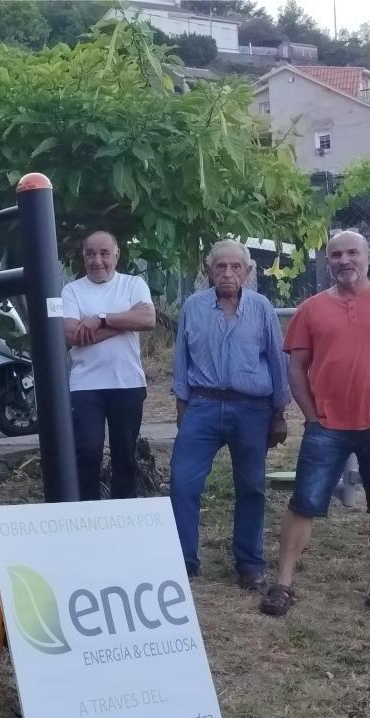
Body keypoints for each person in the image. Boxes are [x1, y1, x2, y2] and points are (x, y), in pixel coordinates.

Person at [261, 230, 370, 620]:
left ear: (369, 256)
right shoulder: (311, 309)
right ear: (328, 261)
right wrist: (311, 415)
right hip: (326, 427)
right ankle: (283, 585)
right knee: (303, 504)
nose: (344, 260)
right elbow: (295, 367)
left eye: (352, 253)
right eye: (336, 255)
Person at [168, 240, 290, 589]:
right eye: (220, 266)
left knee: (251, 486)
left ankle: (249, 563)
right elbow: (182, 361)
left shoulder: (262, 308)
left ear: (248, 272)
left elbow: (277, 360)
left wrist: (279, 413)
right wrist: (182, 409)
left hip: (252, 409)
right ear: (209, 271)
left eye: (236, 267)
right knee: (183, 482)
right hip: (202, 406)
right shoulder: (193, 307)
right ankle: (184, 560)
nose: (227, 273)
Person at [60, 230, 156, 499]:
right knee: (87, 450)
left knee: (124, 454)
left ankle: (123, 512)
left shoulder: (133, 284)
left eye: (104, 253)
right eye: (90, 253)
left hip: (127, 383)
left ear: (116, 255)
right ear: (83, 256)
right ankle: (87, 512)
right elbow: (71, 335)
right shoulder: (72, 290)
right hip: (85, 385)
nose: (97, 260)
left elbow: (148, 320)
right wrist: (125, 322)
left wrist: (100, 319)